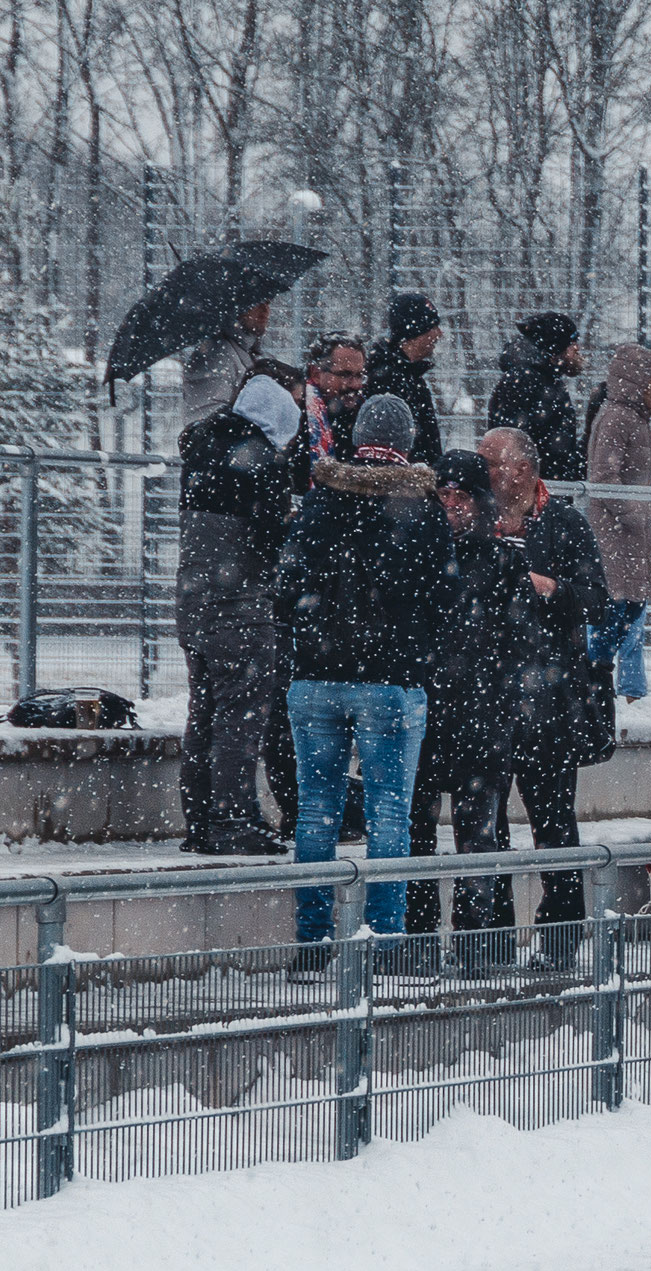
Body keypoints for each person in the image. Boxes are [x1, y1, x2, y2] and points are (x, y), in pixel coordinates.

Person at [278, 395, 453, 966]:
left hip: (316, 679)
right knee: (388, 813)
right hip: (390, 681)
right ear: (406, 442)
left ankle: (312, 944)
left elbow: (287, 588)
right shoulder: (422, 509)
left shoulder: (318, 501)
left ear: (356, 438)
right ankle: (384, 944)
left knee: (315, 810)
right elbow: (443, 597)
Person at [478, 427, 611, 955]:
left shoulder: (564, 524)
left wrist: (550, 588)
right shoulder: (476, 519)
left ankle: (559, 938)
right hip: (488, 701)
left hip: (550, 703)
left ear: (527, 471)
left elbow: (597, 599)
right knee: (487, 827)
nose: (483, 470)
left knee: (554, 825)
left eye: (493, 461)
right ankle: (493, 940)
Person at [407, 452, 537, 969]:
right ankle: (416, 942)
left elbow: (523, 641)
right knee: (418, 830)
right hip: (428, 717)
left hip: (481, 721)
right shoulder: (419, 555)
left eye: (462, 499)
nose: (452, 509)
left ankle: (475, 944)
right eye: (444, 498)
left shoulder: (504, 562)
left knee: (477, 836)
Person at [176, 374, 301, 855]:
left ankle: (200, 823)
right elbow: (269, 544)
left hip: (193, 605)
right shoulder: (265, 461)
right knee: (241, 717)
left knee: (203, 713)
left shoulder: (202, 450)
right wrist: (289, 521)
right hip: (240, 610)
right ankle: (232, 823)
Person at [585, 342, 651, 702]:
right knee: (617, 612)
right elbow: (604, 475)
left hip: (629, 533)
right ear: (636, 379)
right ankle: (599, 684)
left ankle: (622, 689)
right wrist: (637, 512)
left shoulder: (632, 417)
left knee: (629, 609)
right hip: (618, 533)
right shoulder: (619, 417)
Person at [489, 312, 585, 482]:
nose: (577, 348)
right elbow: (511, 446)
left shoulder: (546, 380)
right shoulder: (524, 382)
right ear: (556, 348)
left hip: (543, 490)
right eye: (572, 342)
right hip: (533, 492)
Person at [366, 292, 445, 466]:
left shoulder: (409, 376)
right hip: (402, 485)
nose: (440, 334)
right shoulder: (389, 381)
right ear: (417, 332)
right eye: (434, 327)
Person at [182, 301, 269, 426]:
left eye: (268, 303)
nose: (265, 309)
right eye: (257, 303)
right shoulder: (215, 354)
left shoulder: (251, 352)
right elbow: (205, 424)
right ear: (236, 307)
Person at [300, 333, 368, 471]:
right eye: (344, 375)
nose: (355, 385)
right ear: (316, 374)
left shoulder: (366, 416)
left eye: (359, 375)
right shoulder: (295, 416)